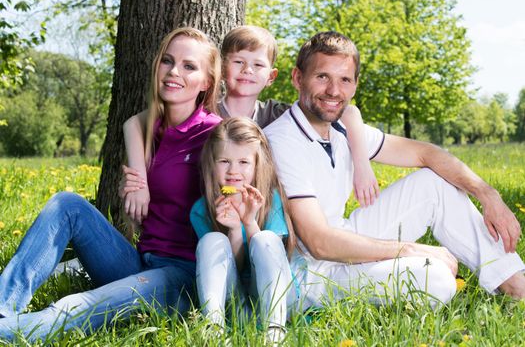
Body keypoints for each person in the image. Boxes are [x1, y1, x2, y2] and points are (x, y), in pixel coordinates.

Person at [263, 31, 525, 310]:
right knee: (434, 278)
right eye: (322, 77)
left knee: (432, 184)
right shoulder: (282, 141)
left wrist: (488, 195)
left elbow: (427, 153)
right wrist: (411, 250)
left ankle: (515, 285)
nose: (334, 91)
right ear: (297, 78)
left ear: (354, 86)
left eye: (345, 80)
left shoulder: (341, 129)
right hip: (313, 275)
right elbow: (319, 243)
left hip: (344, 235)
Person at [0, 27, 222, 341]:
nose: (174, 71)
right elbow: (139, 212)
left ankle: (7, 333)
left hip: (182, 277)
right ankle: (2, 307)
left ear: (207, 82)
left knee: (80, 303)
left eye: (189, 66)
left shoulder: (215, 135)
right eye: (168, 61)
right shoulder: (150, 129)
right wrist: (136, 186)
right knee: (67, 204)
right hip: (139, 262)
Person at [122, 25, 379, 225]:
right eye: (238, 62)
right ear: (221, 68)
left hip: (263, 217)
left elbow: (347, 111)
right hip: (209, 216)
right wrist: (139, 180)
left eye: (258, 65)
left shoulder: (277, 115)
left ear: (271, 76)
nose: (247, 70)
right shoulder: (207, 115)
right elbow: (137, 121)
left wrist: (362, 164)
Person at [189, 117, 297, 343]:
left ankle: (274, 332)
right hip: (236, 306)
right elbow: (233, 270)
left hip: (275, 301)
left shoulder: (271, 201)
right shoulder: (201, 210)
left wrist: (249, 222)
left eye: (243, 162)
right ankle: (213, 328)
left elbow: (269, 259)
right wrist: (235, 230)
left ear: (258, 165)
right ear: (212, 163)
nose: (233, 171)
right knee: (212, 240)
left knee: (265, 238)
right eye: (224, 161)